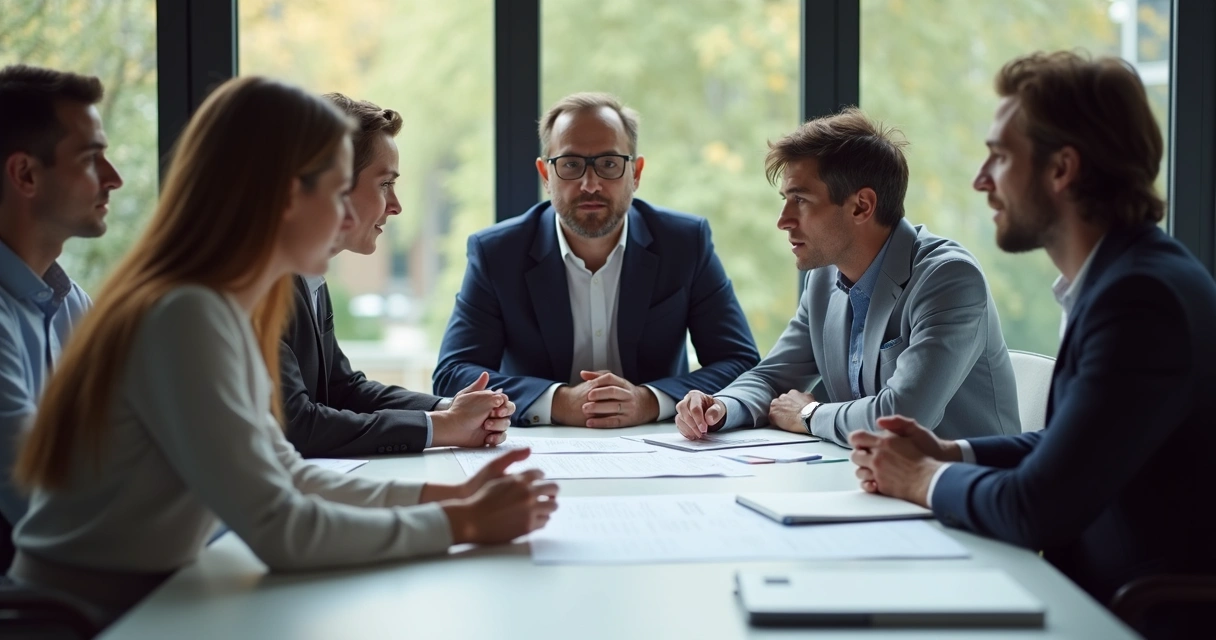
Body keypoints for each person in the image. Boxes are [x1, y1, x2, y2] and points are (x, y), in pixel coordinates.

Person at [8, 76, 557, 627]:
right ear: (285, 194)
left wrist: (451, 497)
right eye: (337, 192)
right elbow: (281, 529)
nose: (349, 219)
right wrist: (462, 524)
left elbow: (288, 474)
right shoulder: (186, 315)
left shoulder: (217, 307)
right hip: (77, 620)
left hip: (149, 604)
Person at [849, 51, 1216, 639]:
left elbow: (1037, 507)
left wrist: (919, 479)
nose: (980, 179)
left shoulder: (1140, 298)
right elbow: (1071, 443)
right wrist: (952, 454)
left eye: (999, 155)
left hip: (1133, 616)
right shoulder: (1127, 278)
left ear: (1061, 169)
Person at [674, 108, 1020, 447]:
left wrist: (810, 414)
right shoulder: (825, 279)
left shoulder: (949, 279)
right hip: (869, 484)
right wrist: (720, 407)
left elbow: (903, 418)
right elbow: (773, 377)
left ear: (861, 206)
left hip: (962, 494)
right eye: (785, 200)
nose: (783, 220)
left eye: (801, 200)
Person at [433, 92, 759, 428]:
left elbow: (741, 362)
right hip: (536, 451)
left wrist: (649, 401)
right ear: (546, 174)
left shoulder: (685, 242)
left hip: (660, 448)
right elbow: (453, 374)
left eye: (608, 164)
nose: (591, 184)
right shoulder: (497, 252)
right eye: (571, 164)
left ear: (636, 173)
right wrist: (557, 401)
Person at [280, 93, 511, 458]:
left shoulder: (309, 277)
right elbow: (296, 425)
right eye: (385, 184)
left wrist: (445, 408)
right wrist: (444, 427)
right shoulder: (261, 285)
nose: (397, 205)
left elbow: (342, 389)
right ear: (334, 184)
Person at [0, 65, 123, 558]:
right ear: (26, 174)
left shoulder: (72, 303)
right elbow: (37, 500)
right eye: (92, 158)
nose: (113, 179)